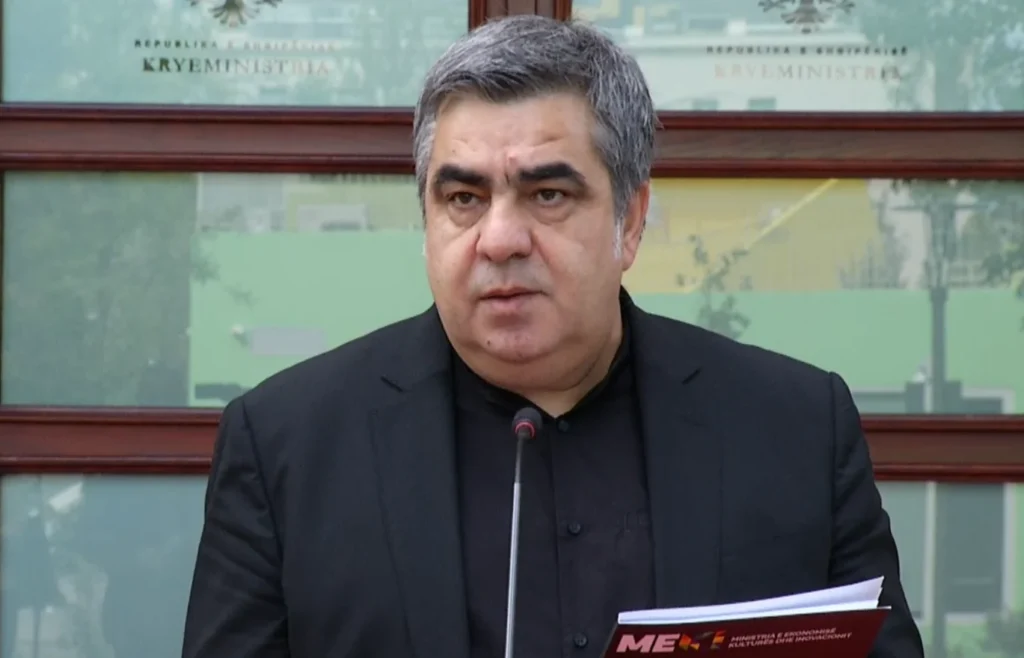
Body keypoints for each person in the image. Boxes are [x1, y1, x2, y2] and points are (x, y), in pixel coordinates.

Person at [181, 15, 925, 658]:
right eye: (464, 197)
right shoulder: (287, 446)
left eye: (547, 193)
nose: (500, 239)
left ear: (630, 221)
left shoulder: (795, 428)